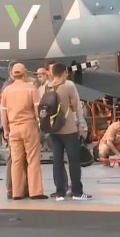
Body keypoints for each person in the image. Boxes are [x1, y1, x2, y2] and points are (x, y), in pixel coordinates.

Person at [1, 63, 48, 200]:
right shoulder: (31, 88)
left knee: (16, 161)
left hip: (13, 128)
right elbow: (37, 111)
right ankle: (35, 192)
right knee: (32, 159)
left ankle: (17, 192)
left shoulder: (6, 91)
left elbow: (4, 114)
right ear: (25, 73)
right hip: (29, 126)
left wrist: (6, 130)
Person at [47, 63, 92, 201]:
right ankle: (77, 192)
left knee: (57, 161)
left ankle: (60, 192)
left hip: (54, 130)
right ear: (65, 72)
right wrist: (81, 124)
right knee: (73, 161)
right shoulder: (69, 85)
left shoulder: (47, 87)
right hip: (69, 128)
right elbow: (77, 106)